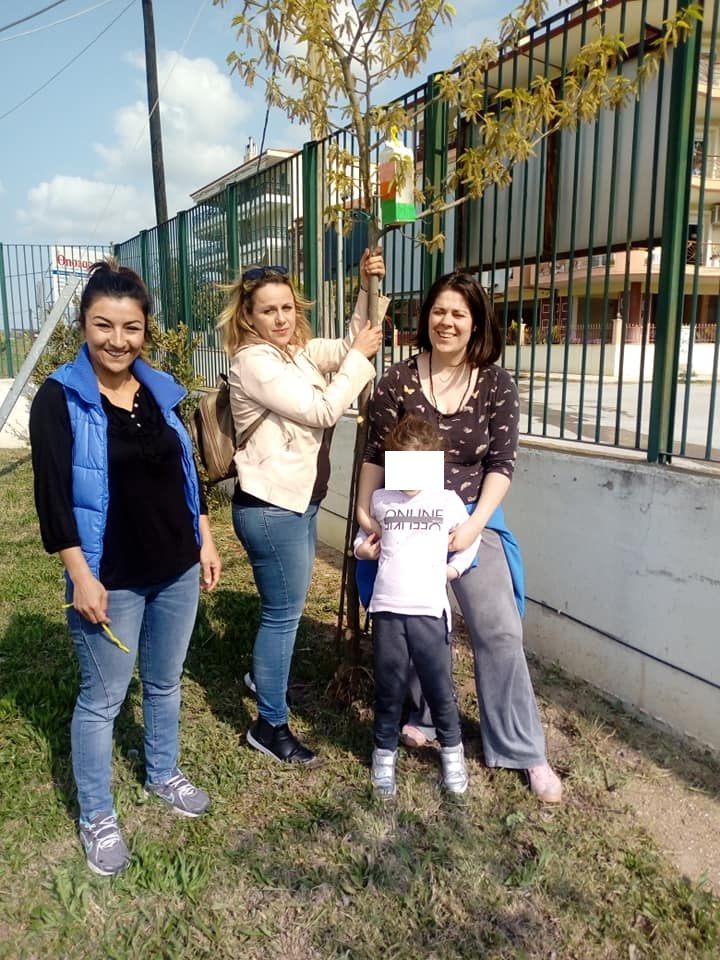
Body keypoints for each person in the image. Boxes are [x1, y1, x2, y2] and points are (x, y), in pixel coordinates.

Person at [29, 260, 222, 877]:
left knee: (164, 682)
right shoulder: (59, 397)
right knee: (103, 699)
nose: (117, 340)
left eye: (131, 327)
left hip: (176, 566)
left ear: (146, 329)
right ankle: (96, 815)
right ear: (83, 325)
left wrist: (204, 539)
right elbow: (53, 500)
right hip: (109, 576)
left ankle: (162, 772)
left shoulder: (159, 390)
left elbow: (186, 472)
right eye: (103, 325)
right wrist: (81, 577)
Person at [357, 271, 563, 803]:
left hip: (470, 516)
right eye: (438, 311)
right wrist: (363, 514)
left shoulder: (495, 384)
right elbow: (375, 457)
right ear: (426, 316)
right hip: (404, 519)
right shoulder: (396, 382)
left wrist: (472, 525)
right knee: (413, 621)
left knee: (499, 629)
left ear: (476, 323)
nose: (446, 322)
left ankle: (521, 746)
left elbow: (502, 463)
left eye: (458, 314)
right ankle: (423, 715)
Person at [218, 252, 387, 767]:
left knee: (282, 612)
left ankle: (262, 677)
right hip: (272, 509)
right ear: (248, 316)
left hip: (297, 504)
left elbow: (350, 345)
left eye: (287, 307)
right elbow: (323, 408)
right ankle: (269, 726)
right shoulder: (255, 361)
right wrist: (358, 357)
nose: (281, 318)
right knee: (283, 616)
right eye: (268, 310)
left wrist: (367, 287)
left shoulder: (295, 352)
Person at [354, 415, 482, 799]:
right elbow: (362, 538)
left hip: (429, 612)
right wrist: (362, 550)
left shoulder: (446, 501)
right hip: (388, 611)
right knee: (389, 687)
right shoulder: (381, 500)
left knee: (439, 687)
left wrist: (454, 569)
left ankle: (452, 754)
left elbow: (471, 538)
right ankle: (383, 756)